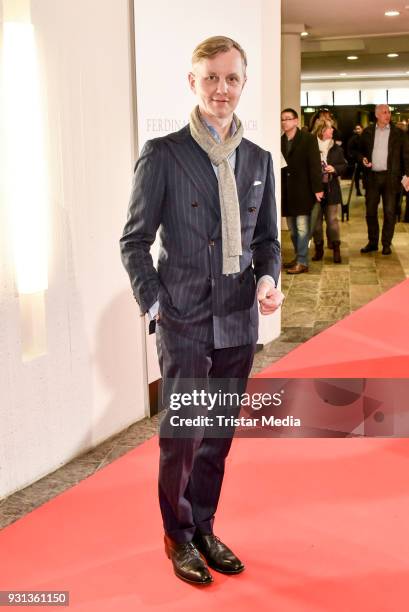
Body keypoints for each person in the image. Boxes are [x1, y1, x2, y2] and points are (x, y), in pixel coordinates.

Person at [120, 36, 283, 586]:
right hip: (185, 319)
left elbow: (268, 243)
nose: (221, 88)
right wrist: (156, 303)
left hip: (238, 319)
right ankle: (178, 534)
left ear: (243, 83)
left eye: (231, 78)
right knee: (183, 435)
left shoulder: (259, 159)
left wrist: (267, 280)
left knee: (217, 435)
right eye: (211, 77)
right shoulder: (163, 154)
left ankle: (206, 525)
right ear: (193, 82)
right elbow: (134, 240)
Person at [359, 104, 409, 255]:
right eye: (384, 112)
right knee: (370, 212)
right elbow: (357, 151)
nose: (388, 115)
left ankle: (386, 243)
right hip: (372, 177)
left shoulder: (399, 133)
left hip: (391, 177)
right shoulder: (367, 132)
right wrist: (362, 159)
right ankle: (373, 242)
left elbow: (406, 156)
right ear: (377, 115)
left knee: (389, 211)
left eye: (388, 112)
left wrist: (407, 175)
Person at [281, 108, 323, 274]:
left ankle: (302, 261)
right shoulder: (280, 141)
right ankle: (299, 256)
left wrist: (317, 189)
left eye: (288, 119)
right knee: (292, 230)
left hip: (304, 190)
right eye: (282, 119)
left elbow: (314, 165)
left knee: (303, 228)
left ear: (296, 121)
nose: (285, 122)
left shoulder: (308, 139)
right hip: (288, 192)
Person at [311, 118, 347, 263]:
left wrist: (335, 168)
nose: (333, 130)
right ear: (321, 130)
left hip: (332, 189)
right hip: (315, 190)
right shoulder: (311, 146)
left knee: (332, 221)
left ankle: (336, 249)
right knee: (316, 223)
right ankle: (318, 248)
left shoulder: (337, 148)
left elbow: (344, 166)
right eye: (330, 128)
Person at [347, 125, 365, 196]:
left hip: (364, 160)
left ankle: (365, 188)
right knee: (356, 176)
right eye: (356, 129)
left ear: (362, 129)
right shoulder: (352, 139)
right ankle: (358, 190)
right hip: (356, 160)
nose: (358, 130)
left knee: (366, 175)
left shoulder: (365, 137)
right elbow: (350, 150)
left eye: (359, 128)